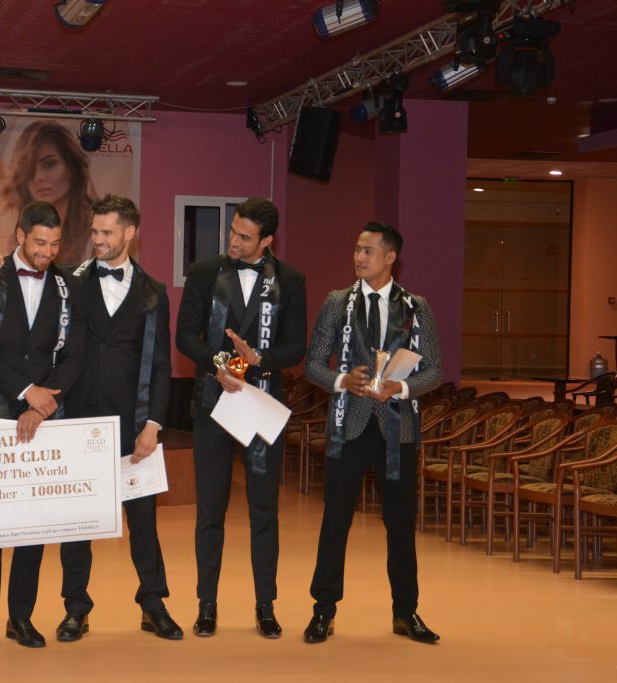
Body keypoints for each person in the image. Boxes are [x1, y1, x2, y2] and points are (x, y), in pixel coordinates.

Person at [302, 221, 442, 645]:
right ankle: (323, 610)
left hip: (398, 430)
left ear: (390, 257)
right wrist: (343, 381)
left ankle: (406, 612)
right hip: (349, 425)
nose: (358, 257)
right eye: (357, 249)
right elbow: (313, 364)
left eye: (367, 250)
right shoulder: (337, 302)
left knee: (400, 524)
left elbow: (434, 370)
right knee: (335, 520)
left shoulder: (416, 307)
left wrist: (400, 388)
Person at [175, 197, 306, 639]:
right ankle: (206, 604)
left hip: (261, 404)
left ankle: (265, 605)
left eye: (245, 237)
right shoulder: (204, 272)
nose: (233, 240)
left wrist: (260, 359)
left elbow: (296, 346)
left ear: (267, 240)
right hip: (213, 403)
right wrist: (218, 364)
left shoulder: (290, 280)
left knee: (263, 510)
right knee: (210, 509)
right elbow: (184, 335)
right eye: (233, 231)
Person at [56, 194, 182, 642]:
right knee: (78, 523)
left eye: (107, 232)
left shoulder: (153, 292)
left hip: (133, 425)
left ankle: (153, 604)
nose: (98, 239)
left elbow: (162, 365)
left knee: (143, 522)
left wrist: (153, 425)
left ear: (130, 233)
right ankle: (76, 607)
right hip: (77, 421)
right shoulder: (69, 281)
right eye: (94, 231)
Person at [0, 200, 86, 650]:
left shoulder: (71, 286)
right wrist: (25, 391)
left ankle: (21, 617)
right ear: (20, 235)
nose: (47, 252)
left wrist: (42, 403)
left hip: (44, 414)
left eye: (54, 244)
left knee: (33, 524)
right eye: (39, 242)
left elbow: (74, 355)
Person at [0, 120, 95, 266]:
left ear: (71, 166)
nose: (38, 177)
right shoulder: (4, 231)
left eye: (49, 164)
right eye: (30, 169)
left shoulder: (95, 233)